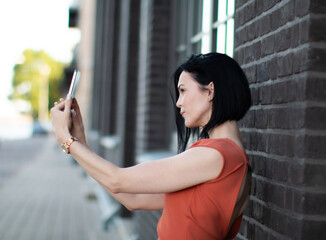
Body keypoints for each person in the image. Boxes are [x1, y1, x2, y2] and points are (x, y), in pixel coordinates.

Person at [50, 52, 252, 240]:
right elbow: (134, 198)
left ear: (210, 91)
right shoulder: (227, 158)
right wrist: (81, 144)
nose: (178, 103)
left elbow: (118, 180)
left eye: (183, 91)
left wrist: (65, 139)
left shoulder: (217, 155)